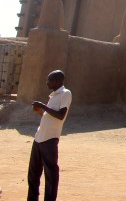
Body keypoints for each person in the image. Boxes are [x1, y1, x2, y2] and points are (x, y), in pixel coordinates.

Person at [28, 70, 72, 201]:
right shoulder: (53, 96)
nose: (47, 82)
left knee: (51, 175)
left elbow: (60, 115)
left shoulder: (66, 93)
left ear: (58, 80)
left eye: (49, 80)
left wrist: (42, 105)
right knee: (33, 174)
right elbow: (49, 117)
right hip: (39, 138)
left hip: (50, 139)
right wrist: (39, 111)